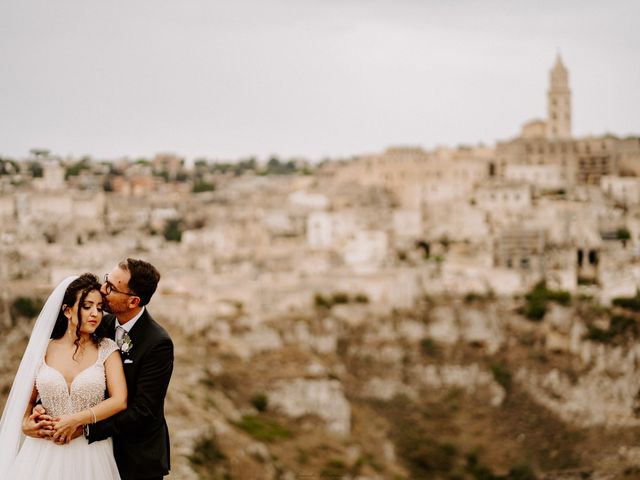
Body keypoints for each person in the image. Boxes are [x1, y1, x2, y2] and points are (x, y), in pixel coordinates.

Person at [0, 273, 127, 479]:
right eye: (87, 306)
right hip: (41, 452)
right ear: (67, 310)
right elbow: (28, 398)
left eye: (99, 307)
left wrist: (78, 421)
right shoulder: (43, 349)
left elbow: (119, 400)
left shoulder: (107, 349)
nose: (95, 313)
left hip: (90, 455)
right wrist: (26, 422)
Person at [87, 258, 173, 480]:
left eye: (111, 288)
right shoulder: (99, 325)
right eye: (107, 280)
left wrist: (87, 428)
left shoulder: (158, 343)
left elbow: (143, 411)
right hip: (94, 456)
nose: (102, 290)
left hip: (136, 460)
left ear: (133, 301)